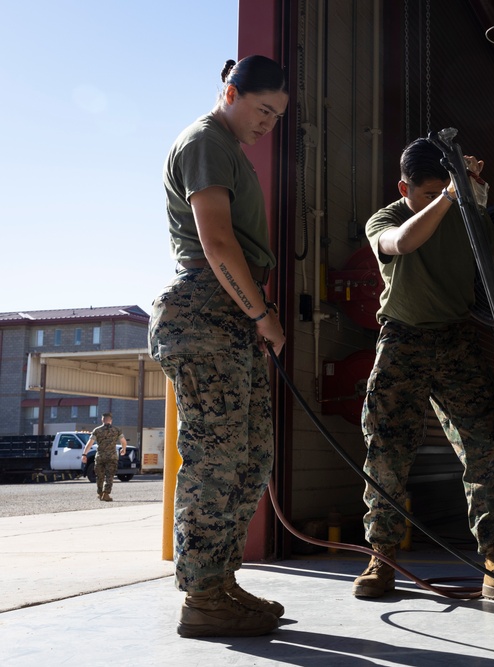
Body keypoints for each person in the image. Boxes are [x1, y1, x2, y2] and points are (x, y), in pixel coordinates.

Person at [353, 138, 494, 604]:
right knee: (386, 449)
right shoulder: (388, 217)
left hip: (457, 339)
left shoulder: (468, 216)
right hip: (402, 340)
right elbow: (403, 242)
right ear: (404, 188)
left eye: (444, 189)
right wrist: (449, 197)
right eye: (429, 192)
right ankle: (383, 558)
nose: (440, 198)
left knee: (485, 450)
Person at [148, 55, 288, 639]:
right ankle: (203, 596)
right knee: (216, 460)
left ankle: (221, 581)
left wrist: (253, 312)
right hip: (207, 313)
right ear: (229, 91)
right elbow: (217, 239)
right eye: (262, 110)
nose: (268, 125)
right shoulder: (205, 141)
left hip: (230, 317)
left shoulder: (230, 149)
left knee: (250, 458)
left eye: (278, 116)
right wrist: (261, 313)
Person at [82, 412, 127, 502]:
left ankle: (100, 493)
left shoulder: (97, 430)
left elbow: (90, 443)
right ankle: (106, 494)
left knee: (99, 476)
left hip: (100, 456)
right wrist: (124, 449)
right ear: (111, 420)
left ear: (102, 420)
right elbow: (123, 441)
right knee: (110, 476)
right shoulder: (117, 430)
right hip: (112, 457)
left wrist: (84, 454)